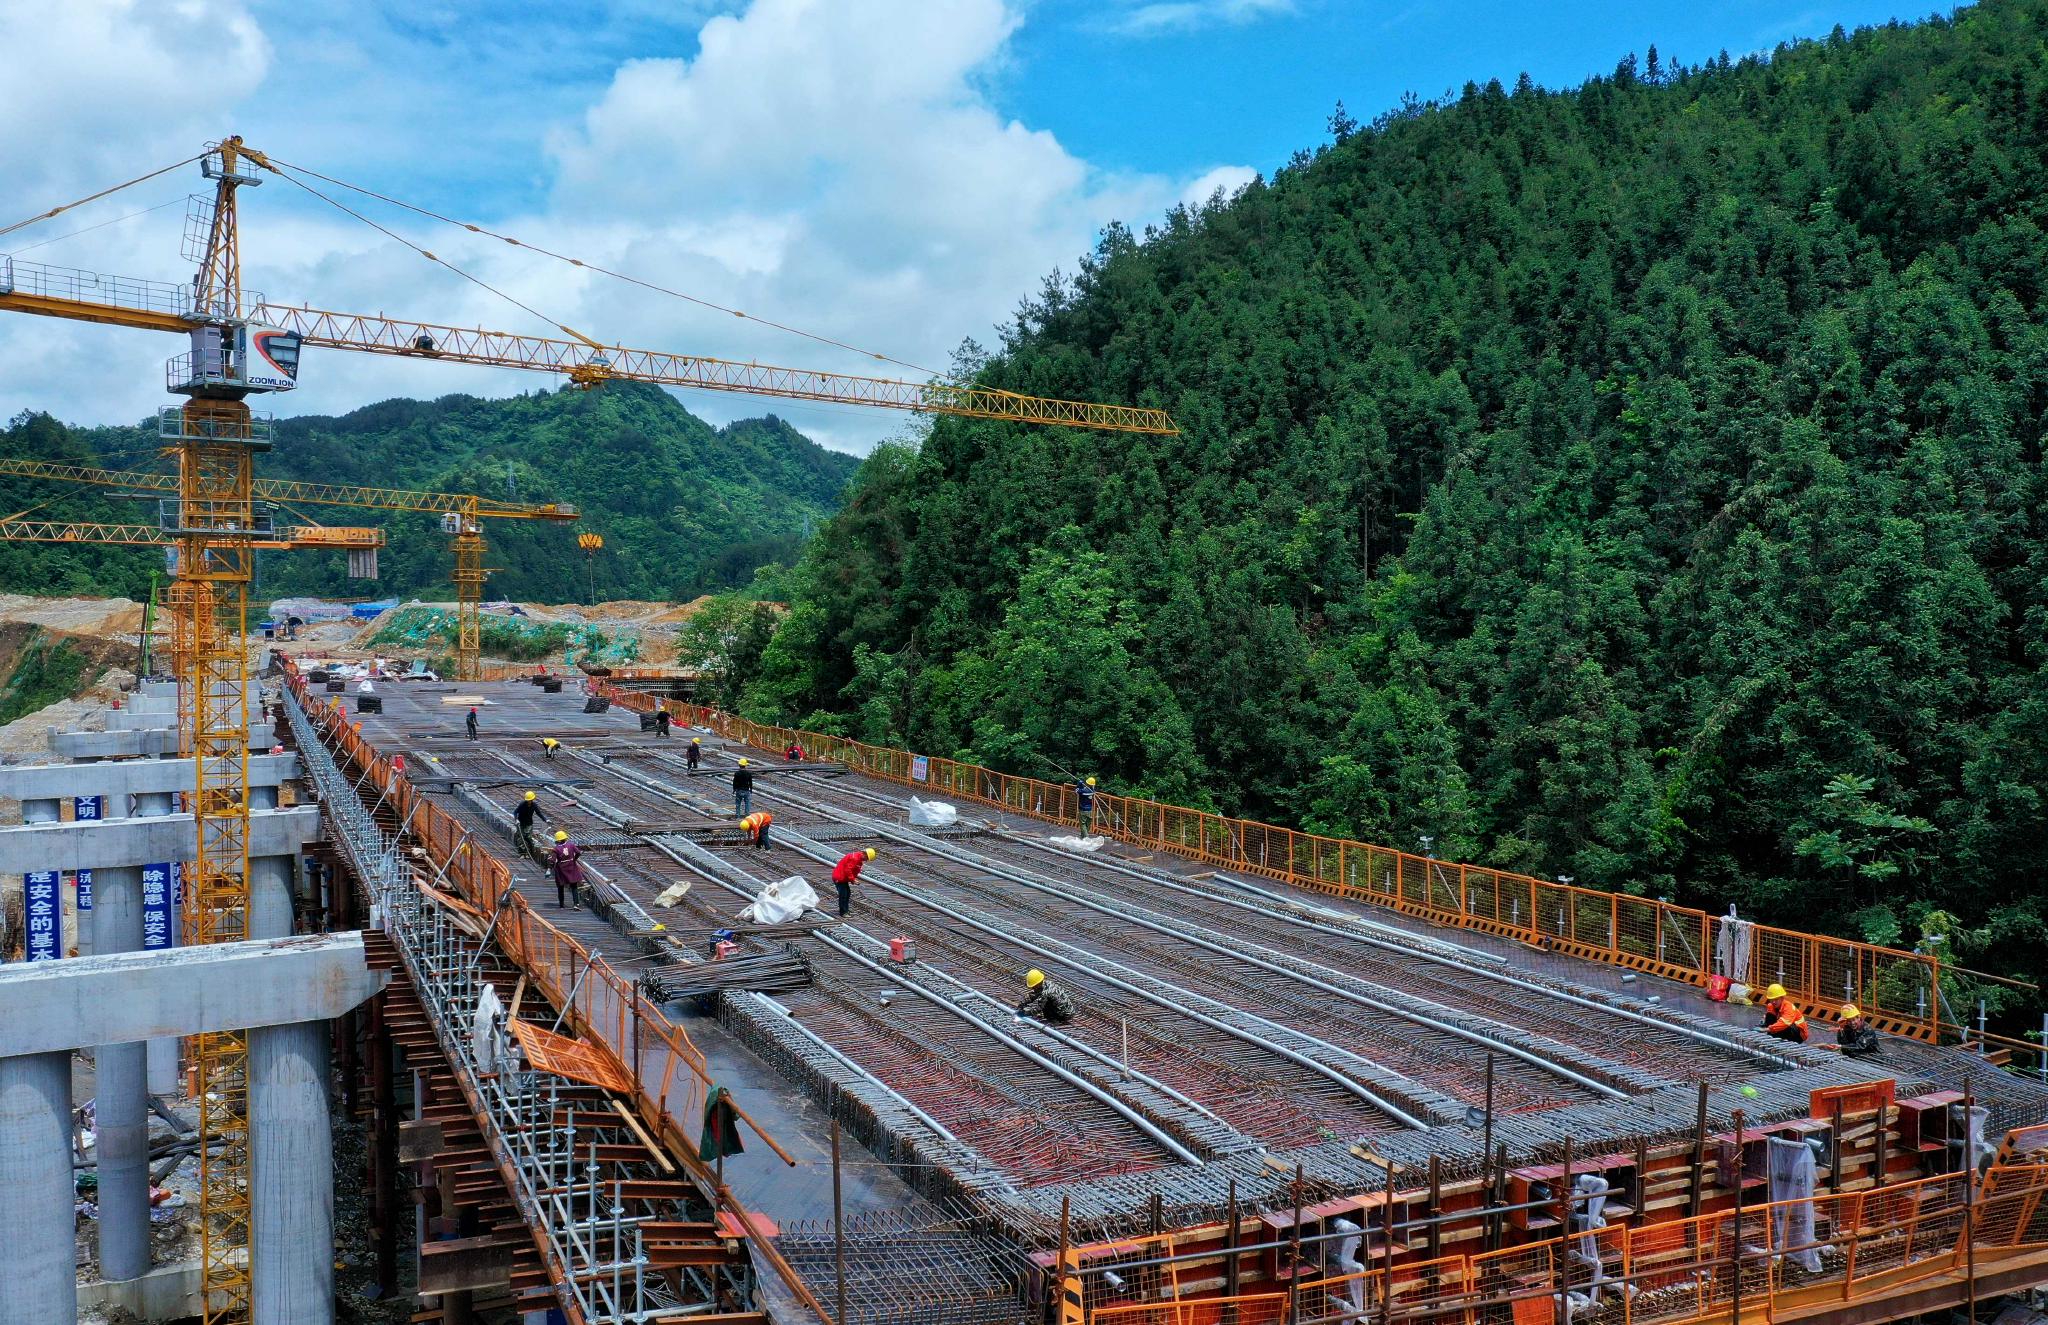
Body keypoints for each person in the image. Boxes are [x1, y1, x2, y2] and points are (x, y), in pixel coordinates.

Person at [831, 847, 876, 918]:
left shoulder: (858, 858)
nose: (866, 860)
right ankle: (843, 912)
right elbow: (848, 870)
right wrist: (853, 880)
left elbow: (852, 870)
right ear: (865, 854)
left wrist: (853, 880)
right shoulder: (855, 858)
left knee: (847, 893)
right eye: (867, 858)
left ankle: (845, 909)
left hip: (843, 878)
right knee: (843, 895)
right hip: (839, 878)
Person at [549, 831, 585, 909]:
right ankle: (576, 904)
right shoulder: (571, 845)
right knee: (574, 886)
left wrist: (549, 868)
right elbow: (578, 852)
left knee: (560, 887)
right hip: (572, 867)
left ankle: (561, 905)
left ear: (558, 840)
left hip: (561, 869)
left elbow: (552, 860)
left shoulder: (556, 849)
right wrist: (574, 860)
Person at [513, 789, 549, 860]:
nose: (529, 801)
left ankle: (529, 852)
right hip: (521, 824)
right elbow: (515, 812)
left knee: (528, 838)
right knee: (521, 839)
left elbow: (539, 813)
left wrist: (545, 820)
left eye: (530, 800)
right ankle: (522, 853)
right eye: (528, 800)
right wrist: (516, 819)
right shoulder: (522, 805)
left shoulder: (534, 805)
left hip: (529, 823)